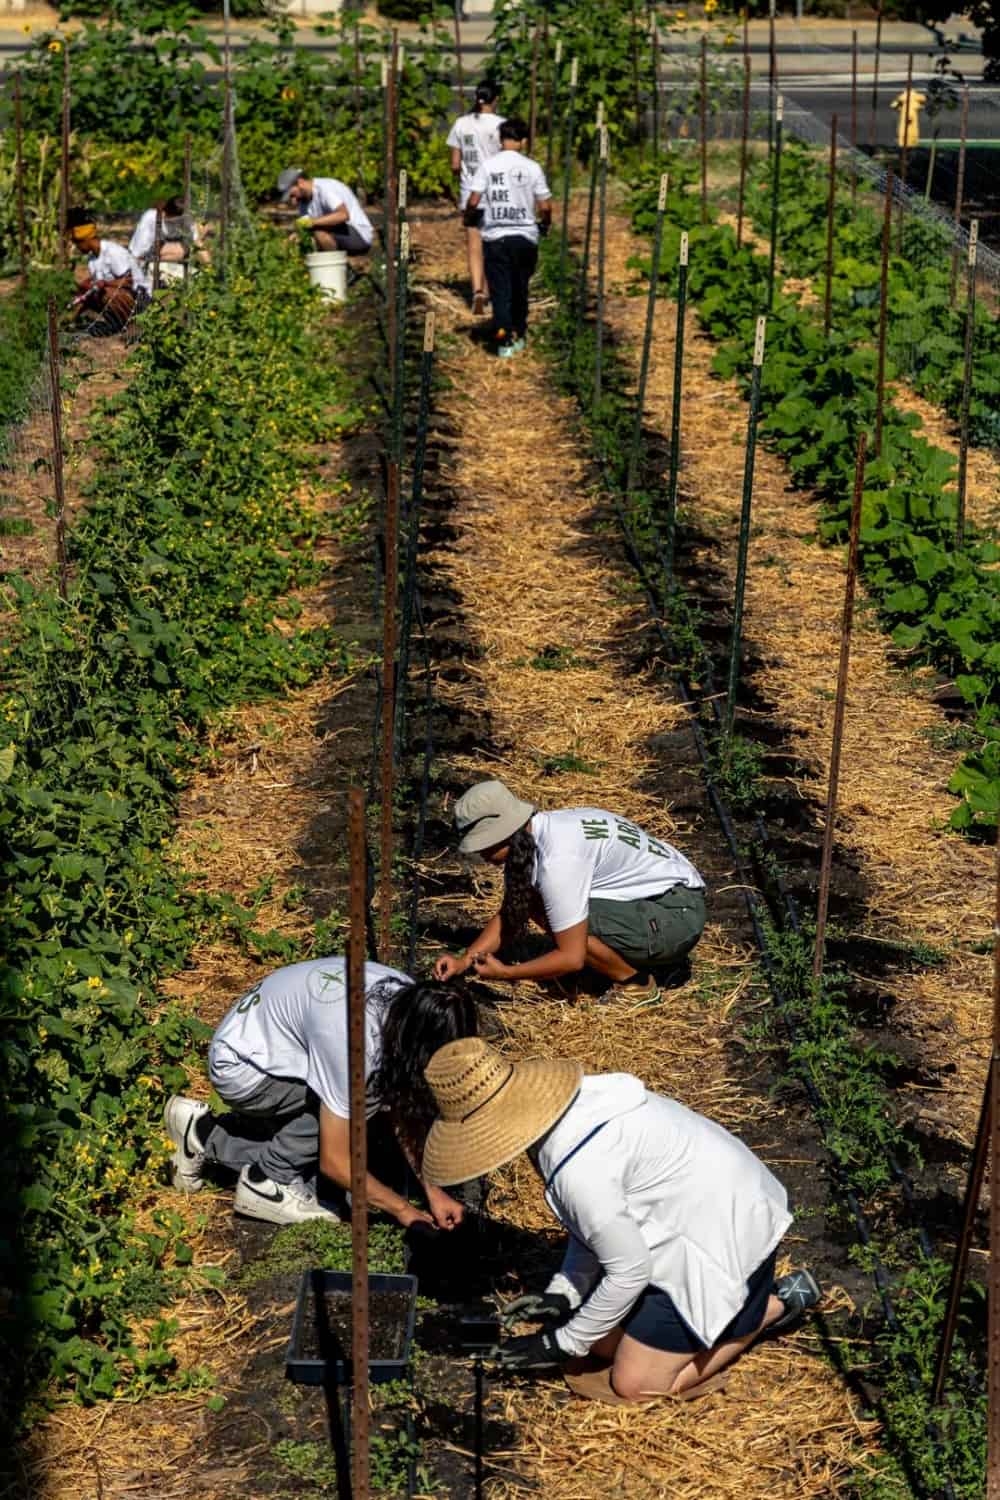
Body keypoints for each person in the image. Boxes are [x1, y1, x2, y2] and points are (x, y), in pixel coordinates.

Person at [421, 1038, 821, 1403]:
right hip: (718, 1208)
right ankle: (733, 1310)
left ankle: (766, 1309)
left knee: (634, 1385)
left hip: (729, 1239)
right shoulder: (570, 1115)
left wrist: (561, 1344)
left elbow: (629, 1270)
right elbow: (594, 1224)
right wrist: (566, 1292)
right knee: (603, 1346)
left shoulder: (578, 1169)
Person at [164, 959, 478, 1228]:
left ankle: (201, 1133)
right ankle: (269, 1180)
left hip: (256, 1037)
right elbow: (334, 1161)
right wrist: (405, 1211)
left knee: (369, 1097)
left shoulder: (411, 1001)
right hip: (241, 1069)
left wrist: (432, 1190)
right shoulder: (357, 1045)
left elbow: (399, 1099)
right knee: (358, 1103)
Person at [434, 779, 706, 1006]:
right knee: (540, 902)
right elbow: (512, 912)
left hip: (676, 918)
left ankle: (636, 984)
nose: (481, 854)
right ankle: (608, 964)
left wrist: (508, 973)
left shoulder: (558, 861)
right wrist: (464, 961)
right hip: (665, 898)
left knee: (561, 920)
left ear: (505, 832)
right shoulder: (543, 830)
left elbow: (571, 957)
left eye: (484, 844)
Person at [464, 116, 551, 358]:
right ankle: (520, 332)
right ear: (523, 141)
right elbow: (545, 205)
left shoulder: (488, 166)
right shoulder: (533, 168)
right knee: (520, 287)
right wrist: (546, 224)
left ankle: (503, 340)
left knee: (500, 291)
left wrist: (470, 216)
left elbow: (473, 199)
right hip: (525, 237)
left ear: (501, 140)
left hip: (496, 237)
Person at [446, 79, 504, 315]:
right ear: (496, 99)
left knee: (474, 243)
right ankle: (495, 290)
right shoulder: (502, 125)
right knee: (496, 242)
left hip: (470, 192)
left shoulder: (461, 124)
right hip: (496, 191)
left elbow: (455, 163)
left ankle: (478, 291)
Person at [67, 218, 152, 333]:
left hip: (140, 297)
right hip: (122, 295)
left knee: (106, 293)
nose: (77, 247)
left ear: (86, 240)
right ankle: (116, 322)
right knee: (88, 289)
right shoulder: (92, 259)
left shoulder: (112, 252)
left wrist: (104, 284)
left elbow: (128, 280)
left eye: (77, 244)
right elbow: (96, 285)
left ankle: (130, 323)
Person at [277, 167, 374, 256]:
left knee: (318, 232)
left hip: (359, 235)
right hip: (340, 234)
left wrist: (312, 222)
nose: (293, 201)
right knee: (304, 240)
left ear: (300, 182)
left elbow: (343, 215)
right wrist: (293, 237)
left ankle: (334, 270)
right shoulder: (303, 202)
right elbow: (305, 229)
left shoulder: (325, 189)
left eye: (292, 195)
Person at [128, 195, 201, 271]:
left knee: (185, 249)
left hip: (163, 251)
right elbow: (139, 249)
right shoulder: (151, 217)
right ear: (167, 213)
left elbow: (197, 241)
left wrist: (209, 266)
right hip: (144, 254)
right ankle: (150, 269)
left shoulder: (186, 217)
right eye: (175, 221)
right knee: (181, 250)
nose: (177, 223)